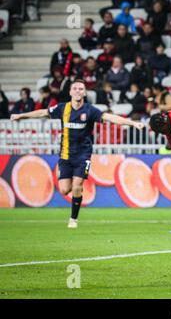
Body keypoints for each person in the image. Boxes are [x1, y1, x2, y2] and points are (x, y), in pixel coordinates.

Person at [10, 79, 144, 228]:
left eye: (81, 89)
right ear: (70, 92)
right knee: (64, 189)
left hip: (83, 155)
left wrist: (132, 123)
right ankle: (75, 197)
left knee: (77, 185)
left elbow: (110, 118)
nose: (78, 91)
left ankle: (73, 219)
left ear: (85, 92)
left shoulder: (90, 110)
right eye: (75, 88)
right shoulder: (63, 108)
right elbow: (43, 112)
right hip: (66, 155)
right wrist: (21, 116)